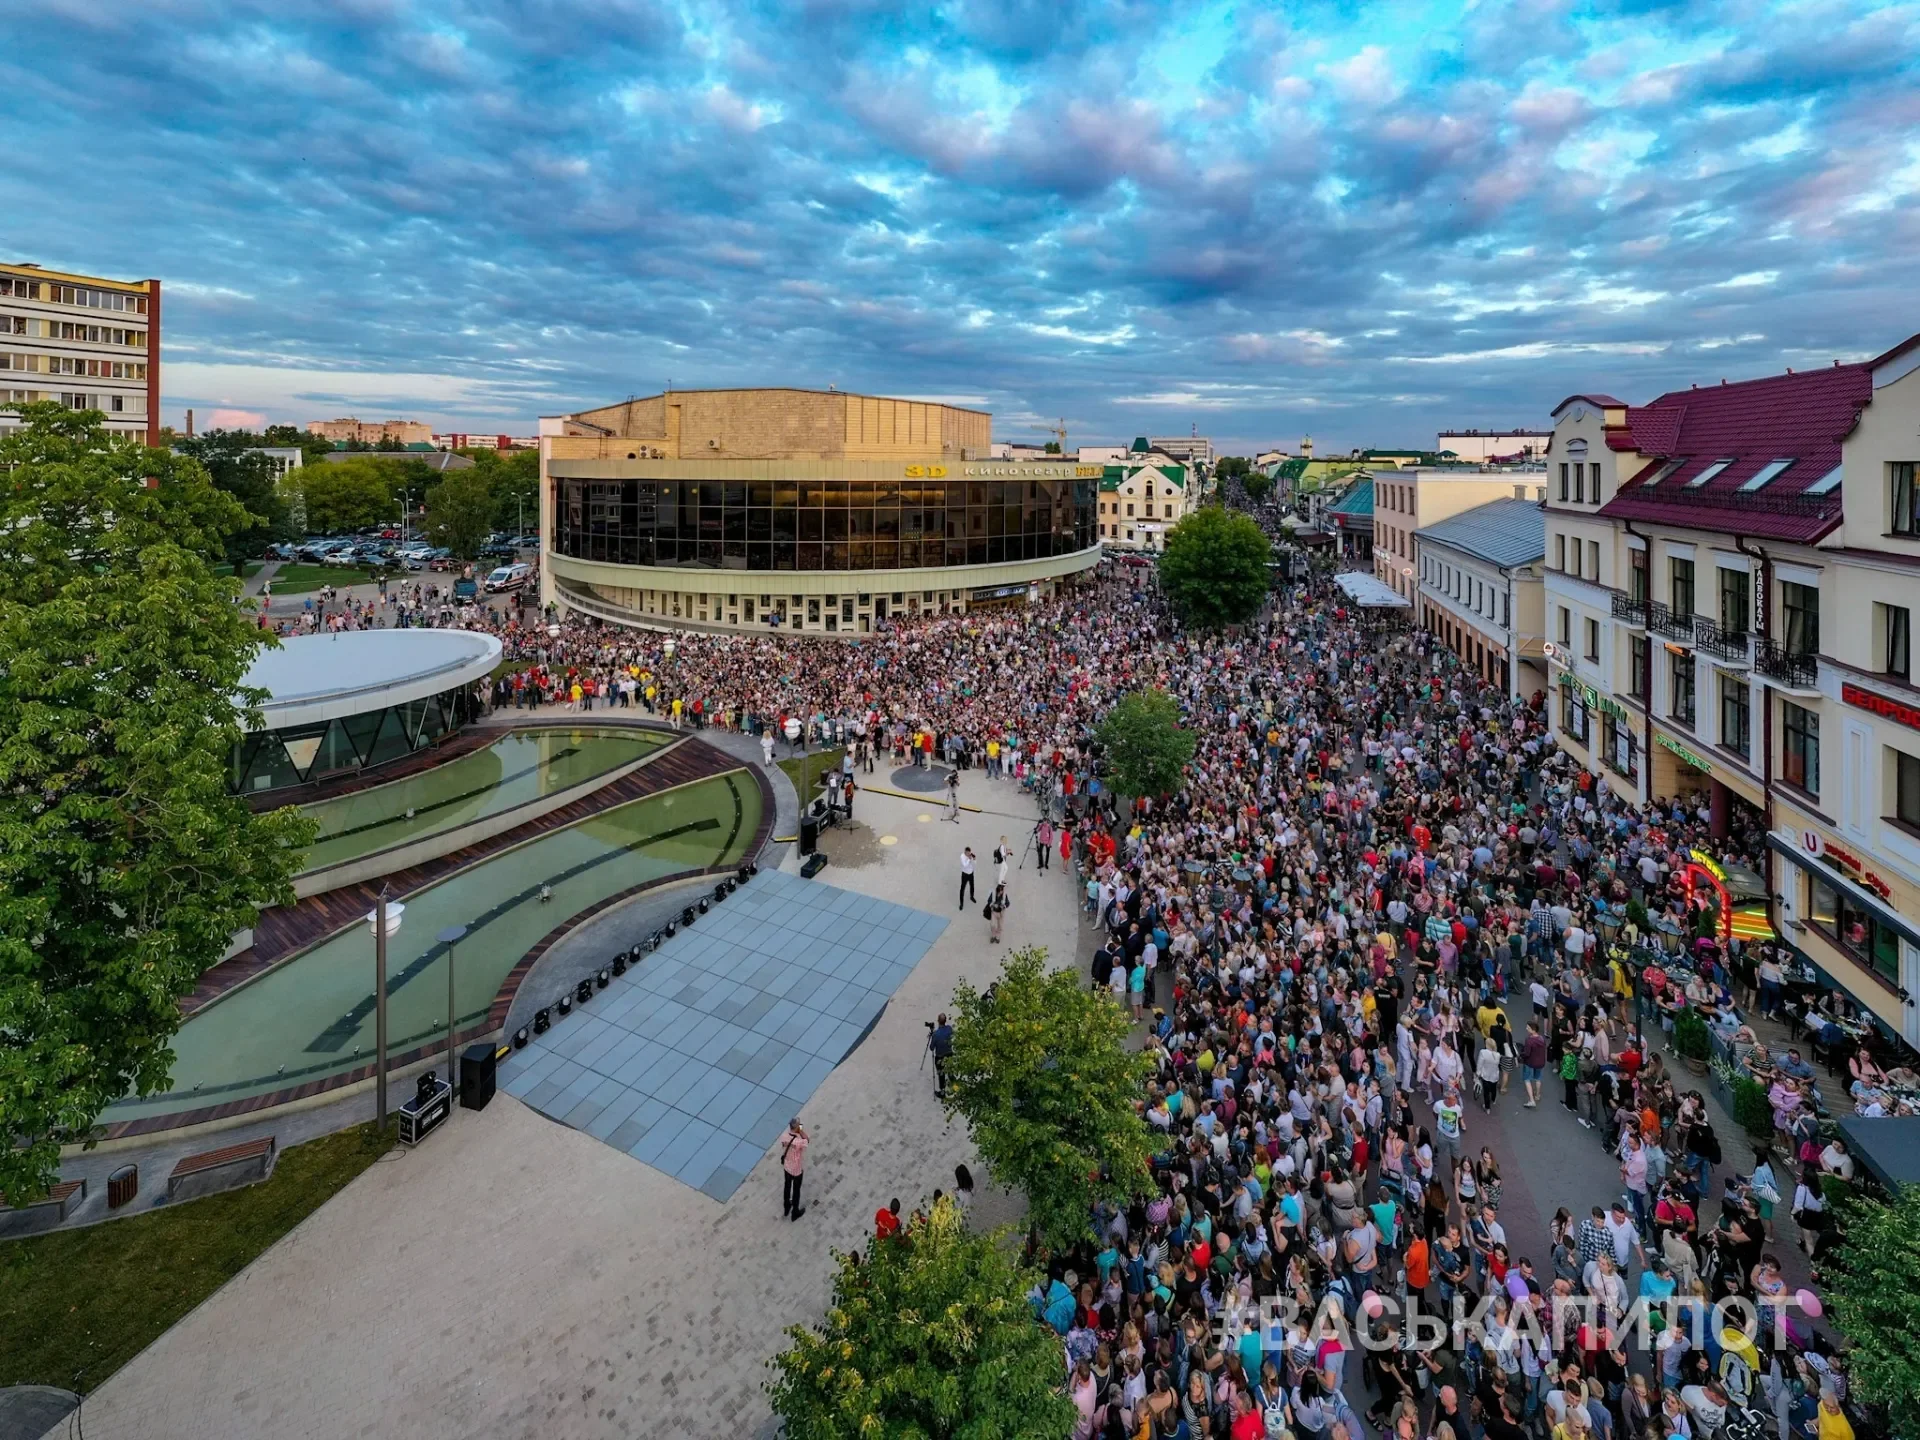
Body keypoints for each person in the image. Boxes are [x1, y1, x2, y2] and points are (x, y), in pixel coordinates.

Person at [779, 1119, 809, 1220]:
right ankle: (795, 1212)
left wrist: (797, 1129)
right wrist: (800, 1131)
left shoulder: (784, 1135)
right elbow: (807, 1140)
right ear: (796, 1127)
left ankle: (787, 1206)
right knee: (796, 1190)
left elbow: (783, 1144)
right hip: (796, 1169)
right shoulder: (799, 1141)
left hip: (787, 1166)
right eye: (798, 1125)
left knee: (787, 1186)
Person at [929, 1013, 954, 1096]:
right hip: (949, 1054)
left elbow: (932, 1048)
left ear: (938, 1021)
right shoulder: (949, 1029)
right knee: (950, 1070)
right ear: (945, 1021)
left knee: (941, 1074)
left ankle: (942, 1092)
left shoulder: (936, 1034)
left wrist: (932, 1036)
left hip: (940, 1057)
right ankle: (956, 1086)